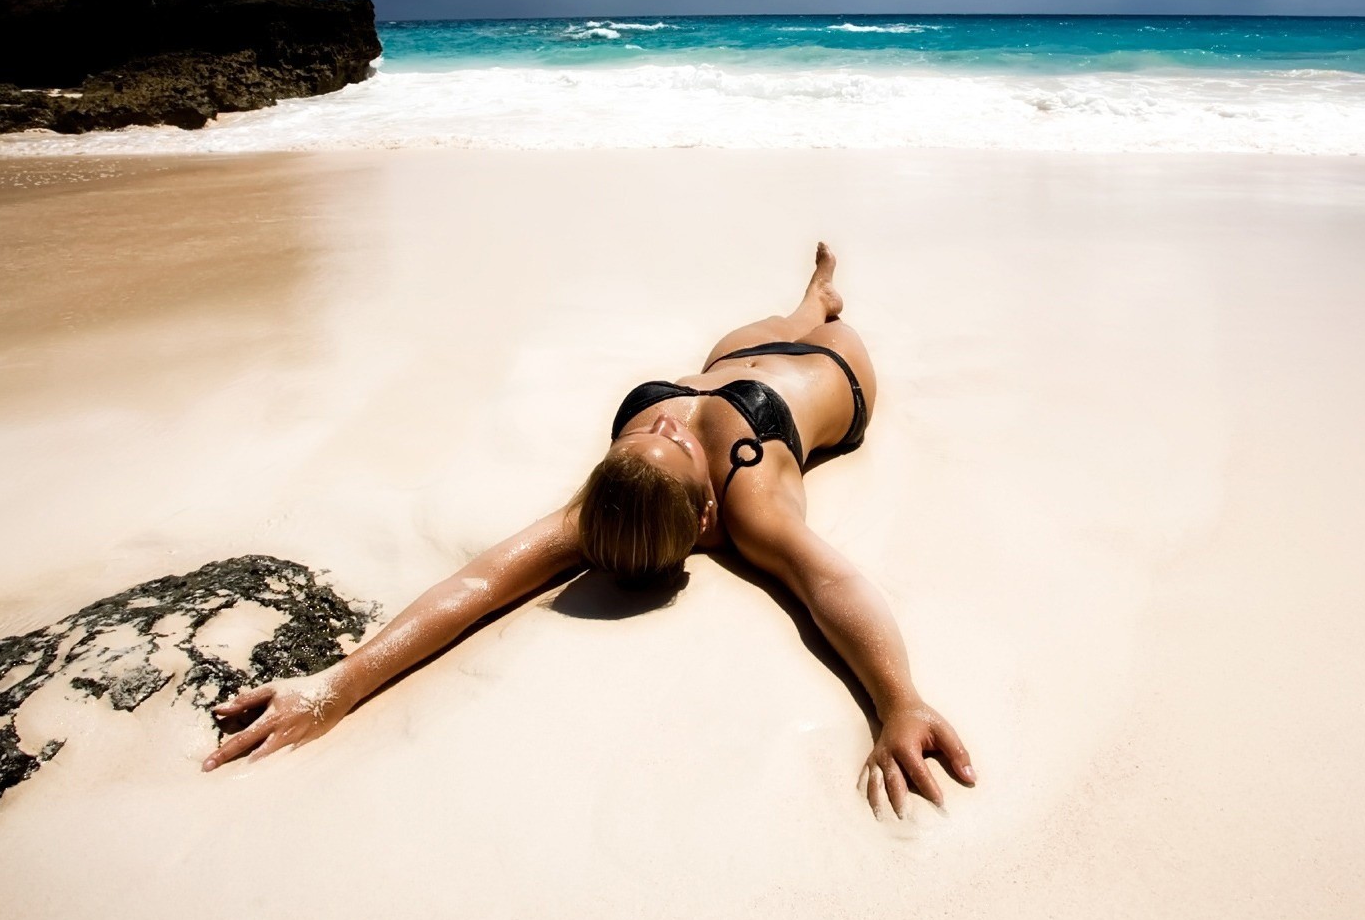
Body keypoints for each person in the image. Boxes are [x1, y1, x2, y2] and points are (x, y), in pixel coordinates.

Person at [203, 244, 974, 817]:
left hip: (735, 356)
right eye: (665, 440)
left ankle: (815, 295)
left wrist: (332, 686)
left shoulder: (616, 500)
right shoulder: (746, 502)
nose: (667, 418)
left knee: (783, 318)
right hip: (834, 369)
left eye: (651, 433)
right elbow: (831, 582)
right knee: (808, 330)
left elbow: (476, 582)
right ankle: (822, 310)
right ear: (705, 518)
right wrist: (900, 701)